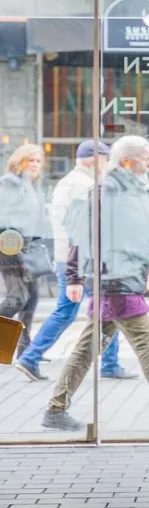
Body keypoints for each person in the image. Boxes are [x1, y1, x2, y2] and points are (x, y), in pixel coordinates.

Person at [43, 136, 149, 432]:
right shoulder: (108, 191)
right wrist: (73, 276)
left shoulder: (129, 191)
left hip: (119, 279)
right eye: (145, 158)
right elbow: (82, 235)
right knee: (147, 344)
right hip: (116, 281)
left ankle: (56, 410)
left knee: (86, 348)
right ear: (126, 161)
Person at [14, 141, 130, 382]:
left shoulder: (71, 181)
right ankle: (31, 357)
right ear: (94, 158)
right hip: (79, 260)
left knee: (88, 309)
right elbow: (83, 228)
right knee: (102, 306)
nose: (107, 163)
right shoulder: (83, 185)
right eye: (105, 158)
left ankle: (33, 357)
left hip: (70, 258)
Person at [0, 144, 53, 357]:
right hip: (11, 247)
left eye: (38, 161)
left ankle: (23, 350)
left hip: (29, 247)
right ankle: (5, 346)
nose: (35, 165)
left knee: (31, 298)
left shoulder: (31, 186)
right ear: (19, 162)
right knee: (17, 298)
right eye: (30, 160)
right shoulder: (9, 183)